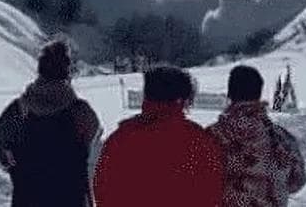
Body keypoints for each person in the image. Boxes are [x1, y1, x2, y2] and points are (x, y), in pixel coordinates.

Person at [94, 65, 223, 206]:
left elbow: (103, 190)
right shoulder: (198, 141)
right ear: (181, 99)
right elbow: (212, 192)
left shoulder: (119, 140)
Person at [0, 40, 101, 206]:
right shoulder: (81, 112)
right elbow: (94, 153)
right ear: (67, 71)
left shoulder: (19, 109)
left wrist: (18, 171)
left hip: (27, 197)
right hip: (71, 197)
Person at [208, 65, 306, 206]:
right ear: (259, 94)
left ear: (229, 94)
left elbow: (199, 183)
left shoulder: (213, 136)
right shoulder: (281, 137)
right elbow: (297, 181)